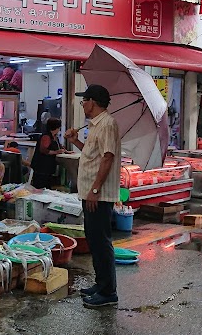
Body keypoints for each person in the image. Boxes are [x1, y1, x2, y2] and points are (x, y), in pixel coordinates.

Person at [65, 84, 121, 309]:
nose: (83, 106)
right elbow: (92, 155)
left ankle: (109, 292)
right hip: (90, 192)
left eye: (83, 101)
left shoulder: (108, 124)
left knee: (101, 241)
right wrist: (74, 141)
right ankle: (101, 284)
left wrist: (95, 190)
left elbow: (107, 158)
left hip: (98, 195)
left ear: (92, 102)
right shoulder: (95, 126)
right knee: (94, 241)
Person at [30, 117, 66, 188]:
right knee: (41, 187)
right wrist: (56, 152)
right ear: (56, 127)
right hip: (42, 167)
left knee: (47, 187)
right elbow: (43, 150)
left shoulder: (54, 137)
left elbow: (59, 146)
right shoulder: (46, 136)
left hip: (48, 168)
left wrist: (66, 151)